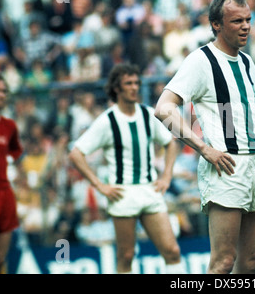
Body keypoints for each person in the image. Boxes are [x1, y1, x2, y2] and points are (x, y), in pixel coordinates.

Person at [154, 0, 255, 274]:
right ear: (216, 25)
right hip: (225, 166)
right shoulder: (201, 61)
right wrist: (203, 148)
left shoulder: (246, 61)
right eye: (237, 21)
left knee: (251, 262)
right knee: (223, 262)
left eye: (248, 20)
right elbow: (164, 108)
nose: (246, 26)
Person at [69, 63, 185, 274]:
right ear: (116, 88)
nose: (134, 87)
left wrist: (166, 176)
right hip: (122, 193)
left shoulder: (149, 114)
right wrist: (100, 186)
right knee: (126, 256)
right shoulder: (106, 121)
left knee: (172, 250)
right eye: (128, 83)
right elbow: (76, 154)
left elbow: (170, 143)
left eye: (136, 83)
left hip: (150, 190)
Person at [0, 71, 23, 273]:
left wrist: (8, 161)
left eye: (4, 91)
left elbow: (15, 149)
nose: (2, 95)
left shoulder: (9, 126)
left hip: (4, 194)